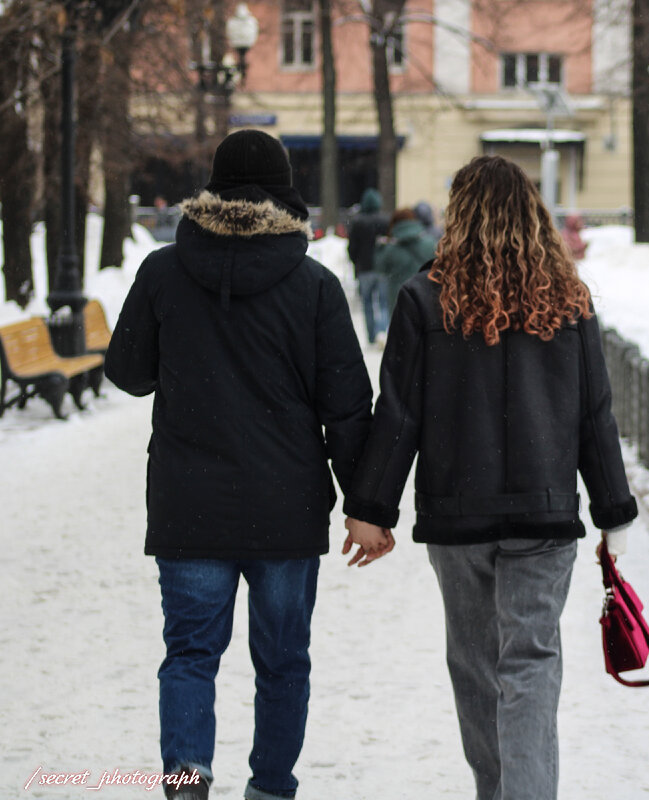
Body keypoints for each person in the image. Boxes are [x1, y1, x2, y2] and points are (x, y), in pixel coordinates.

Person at [104, 129, 392, 800]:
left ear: (212, 188)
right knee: (284, 662)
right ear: (285, 193)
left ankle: (187, 779)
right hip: (285, 508)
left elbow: (128, 373)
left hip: (187, 501)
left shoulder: (163, 271)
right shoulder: (314, 285)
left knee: (189, 656)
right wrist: (366, 506)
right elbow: (348, 407)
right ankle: (269, 789)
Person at [343, 155, 638, 800]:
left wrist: (371, 509)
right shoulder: (568, 298)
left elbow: (399, 413)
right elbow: (595, 413)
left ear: (459, 215)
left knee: (476, 671)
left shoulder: (426, 296)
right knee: (530, 666)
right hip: (544, 513)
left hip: (458, 517)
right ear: (532, 213)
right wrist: (614, 513)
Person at [347, 188, 391, 345]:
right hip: (382, 269)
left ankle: (371, 336)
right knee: (384, 302)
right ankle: (382, 331)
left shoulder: (357, 222)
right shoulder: (386, 220)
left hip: (364, 269)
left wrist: (356, 262)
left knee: (367, 304)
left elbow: (352, 248)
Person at [375, 207, 437, 317]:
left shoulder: (390, 250)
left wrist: (380, 249)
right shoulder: (431, 244)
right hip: (426, 301)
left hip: (398, 302)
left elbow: (380, 269)